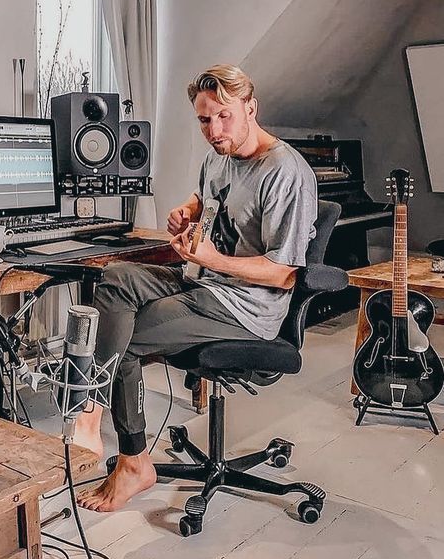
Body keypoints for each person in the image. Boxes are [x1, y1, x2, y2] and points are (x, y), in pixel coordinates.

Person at [74, 64, 317, 512]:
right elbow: (207, 201)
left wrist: (213, 260)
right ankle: (90, 406)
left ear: (251, 108)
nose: (214, 129)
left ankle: (132, 461)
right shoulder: (217, 156)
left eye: (224, 116)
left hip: (245, 307)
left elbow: (284, 274)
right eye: (205, 120)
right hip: (202, 282)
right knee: (115, 276)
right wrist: (185, 212)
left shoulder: (285, 172)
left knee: (126, 339)